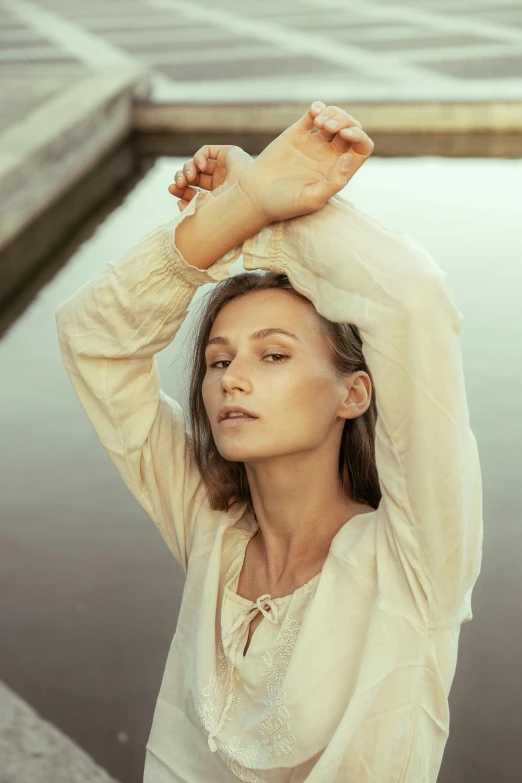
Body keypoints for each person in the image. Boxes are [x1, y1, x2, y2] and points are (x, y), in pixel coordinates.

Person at [55, 101, 483, 782]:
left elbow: (413, 302)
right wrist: (236, 209)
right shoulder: (210, 528)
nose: (234, 379)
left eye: (274, 355)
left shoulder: (415, 558)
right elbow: (94, 340)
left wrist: (266, 216)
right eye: (219, 360)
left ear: (354, 393)